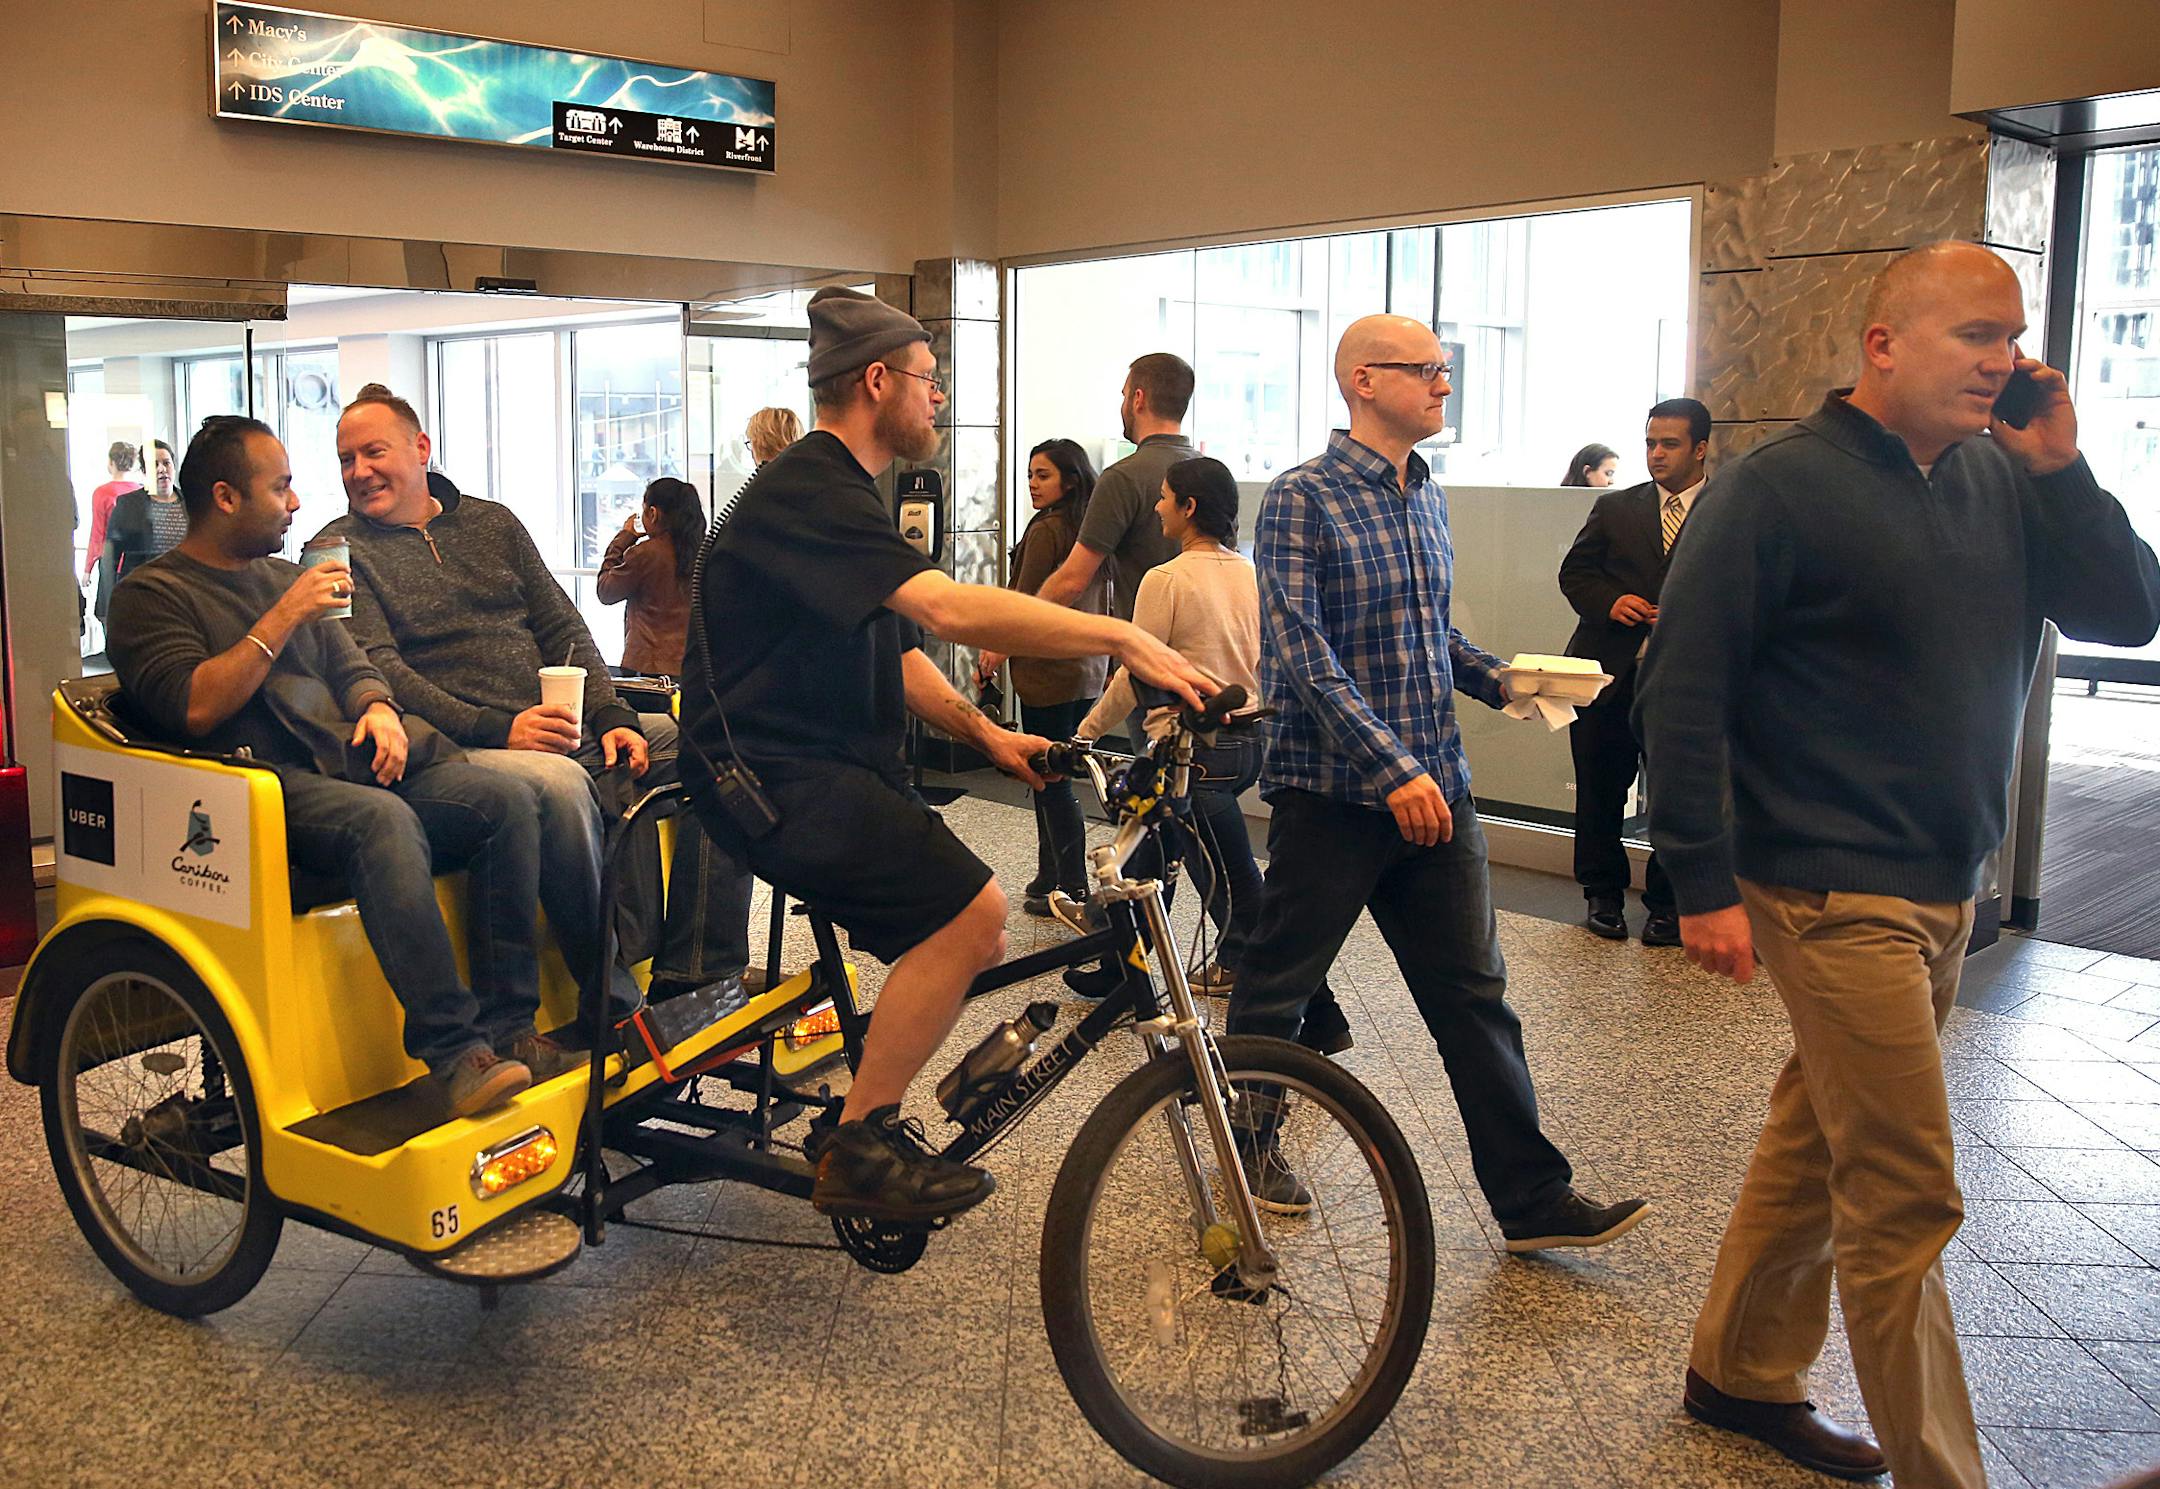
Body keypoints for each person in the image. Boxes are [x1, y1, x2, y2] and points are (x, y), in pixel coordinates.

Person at [1637, 242, 2160, 1487]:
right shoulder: (1775, 490)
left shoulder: (2006, 476)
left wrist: (2066, 467)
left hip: (1943, 880)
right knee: (1907, 1189)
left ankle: (1739, 1372)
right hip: (1827, 889)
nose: (2007, 360)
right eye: (1977, 335)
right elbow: (1684, 685)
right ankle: (1949, 1474)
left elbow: (2131, 612)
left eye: (2014, 336)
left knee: (1821, 1135)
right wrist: (1700, 879)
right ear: (1884, 346)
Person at [681, 287, 1212, 1223]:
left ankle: (860, 1123)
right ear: (877, 380)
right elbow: (950, 610)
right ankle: (860, 1141)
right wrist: (1123, 639)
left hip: (820, 762)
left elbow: (900, 650)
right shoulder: (809, 485)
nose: (938, 398)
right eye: (928, 380)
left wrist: (990, 734)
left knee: (980, 935)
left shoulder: (843, 488)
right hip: (759, 772)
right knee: (976, 912)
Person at [1223, 313, 1649, 1247]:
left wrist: (1504, 681)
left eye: (1445, 370)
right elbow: (1302, 652)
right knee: (1279, 985)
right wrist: (1392, 769)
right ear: (1363, 381)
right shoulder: (1305, 498)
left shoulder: (1427, 494)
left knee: (1473, 995)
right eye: (1426, 370)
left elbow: (1428, 634)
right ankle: (1244, 1143)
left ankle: (1532, 1201)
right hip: (1338, 794)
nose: (1443, 383)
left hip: (1435, 792)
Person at [106, 417, 558, 1117]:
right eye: (280, 487)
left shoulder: (290, 575)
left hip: (342, 763)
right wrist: (281, 616)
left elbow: (353, 666)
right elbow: (193, 707)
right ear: (226, 497)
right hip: (251, 787)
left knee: (502, 800)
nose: (296, 502)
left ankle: (511, 1029)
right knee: (382, 822)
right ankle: (454, 1050)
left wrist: (377, 707)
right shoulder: (151, 596)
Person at [322, 384, 754, 1026]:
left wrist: (611, 715)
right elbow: (382, 671)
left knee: (725, 747)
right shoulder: (337, 551)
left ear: (420, 448)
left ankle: (696, 970)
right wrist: (502, 728)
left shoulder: (493, 523)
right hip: (463, 744)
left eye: (373, 452)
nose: (359, 471)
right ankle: (606, 992)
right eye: (346, 459)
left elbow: (564, 626)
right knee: (557, 783)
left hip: (558, 718)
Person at [1075, 456, 1266, 999]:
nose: (1157, 507)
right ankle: (1118, 968)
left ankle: (1260, 980)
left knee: (1227, 882)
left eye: (1164, 498)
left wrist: (1086, 732)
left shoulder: (1166, 579)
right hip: (1246, 744)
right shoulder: (1251, 573)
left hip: (1192, 751)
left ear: (1189, 508)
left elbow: (1137, 671)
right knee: (1149, 855)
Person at [1557, 398, 1709, 945]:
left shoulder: (1730, 509)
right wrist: (1610, 600)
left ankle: (1668, 905)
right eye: (1650, 443)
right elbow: (1575, 574)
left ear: (1700, 448)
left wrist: (1694, 613)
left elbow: (1758, 589)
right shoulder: (1617, 508)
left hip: (1689, 682)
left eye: (1669, 444)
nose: (1656, 454)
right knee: (1599, 787)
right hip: (1608, 673)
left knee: (1679, 794)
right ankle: (1602, 896)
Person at [972, 438, 1110, 917]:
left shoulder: (1049, 529)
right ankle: (1049, 873)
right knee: (1056, 771)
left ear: (1069, 480)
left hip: (1048, 672)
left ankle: (1070, 883)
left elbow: (1025, 600)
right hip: (1087, 670)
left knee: (1050, 777)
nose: (1032, 483)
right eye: (1030, 474)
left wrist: (995, 648)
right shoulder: (1088, 529)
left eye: (1044, 475)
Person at [1032, 352, 1199, 625]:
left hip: (1145, 652)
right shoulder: (1214, 475)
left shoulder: (1122, 478)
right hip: (1208, 653)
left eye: (1125, 396)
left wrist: (1009, 634)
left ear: (1138, 399)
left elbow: (1072, 580)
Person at [597, 476, 704, 677]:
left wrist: (623, 539)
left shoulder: (645, 553)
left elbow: (606, 592)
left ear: (653, 513)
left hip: (647, 665)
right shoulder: (704, 551)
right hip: (692, 664)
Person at [106, 438, 187, 586]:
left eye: (166, 463)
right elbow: (111, 556)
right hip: (142, 590)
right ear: (144, 471)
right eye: (154, 465)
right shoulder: (128, 505)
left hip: (184, 589)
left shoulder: (190, 504)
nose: (161, 469)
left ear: (174, 467)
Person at [85, 440, 142, 578]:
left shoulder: (101, 493)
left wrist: (88, 568)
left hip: (111, 561)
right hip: (137, 561)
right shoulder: (141, 491)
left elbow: (98, 533)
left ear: (111, 463)